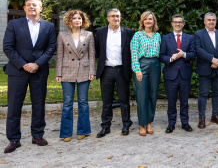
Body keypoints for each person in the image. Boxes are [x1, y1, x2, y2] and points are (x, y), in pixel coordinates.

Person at [3, 0, 56, 153]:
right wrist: (24, 64)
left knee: (38, 105)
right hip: (17, 71)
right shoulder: (14, 24)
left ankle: (37, 135)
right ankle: (13, 139)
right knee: (14, 106)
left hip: (39, 71)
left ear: (41, 8)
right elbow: (8, 47)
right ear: (24, 8)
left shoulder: (49, 26)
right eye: (29, 5)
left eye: (35, 5)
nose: (32, 7)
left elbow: (51, 48)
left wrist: (37, 63)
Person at [55, 9, 95, 142]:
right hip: (67, 71)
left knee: (83, 102)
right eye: (74, 18)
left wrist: (91, 71)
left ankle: (83, 130)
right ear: (69, 21)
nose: (77, 20)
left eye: (79, 18)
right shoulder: (62, 35)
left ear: (83, 21)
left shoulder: (89, 35)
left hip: (84, 71)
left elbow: (91, 55)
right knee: (67, 103)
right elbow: (59, 55)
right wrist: (58, 73)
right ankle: (66, 132)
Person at [95, 8, 134, 138]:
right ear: (107, 18)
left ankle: (126, 125)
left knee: (124, 100)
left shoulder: (128, 32)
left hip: (122, 70)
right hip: (106, 70)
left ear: (120, 18)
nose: (115, 18)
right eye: (112, 16)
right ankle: (105, 127)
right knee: (106, 101)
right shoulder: (100, 32)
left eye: (118, 16)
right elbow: (97, 51)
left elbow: (131, 51)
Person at [160, 14, 196, 133]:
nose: (178, 24)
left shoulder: (189, 38)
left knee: (184, 101)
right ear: (172, 23)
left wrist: (183, 54)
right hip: (170, 74)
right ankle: (171, 123)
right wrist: (171, 58)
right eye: (175, 22)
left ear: (183, 24)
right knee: (171, 101)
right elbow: (161, 56)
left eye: (180, 22)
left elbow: (193, 54)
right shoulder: (165, 38)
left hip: (184, 75)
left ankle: (185, 123)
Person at [194, 12, 218, 128]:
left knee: (217, 93)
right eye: (209, 20)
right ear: (204, 21)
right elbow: (198, 50)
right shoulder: (198, 34)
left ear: (216, 21)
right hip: (205, 68)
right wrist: (212, 59)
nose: (211, 22)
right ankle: (202, 118)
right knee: (203, 93)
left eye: (213, 20)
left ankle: (215, 115)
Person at [131, 11, 161, 136]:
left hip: (155, 66)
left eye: (150, 19)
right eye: (145, 19)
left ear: (154, 21)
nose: (148, 21)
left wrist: (160, 67)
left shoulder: (158, 36)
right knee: (142, 96)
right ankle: (141, 124)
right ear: (142, 22)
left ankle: (149, 122)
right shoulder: (138, 35)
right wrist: (137, 69)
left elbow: (160, 53)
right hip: (141, 65)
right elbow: (134, 54)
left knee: (152, 95)